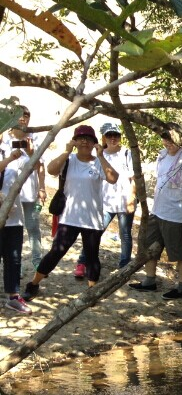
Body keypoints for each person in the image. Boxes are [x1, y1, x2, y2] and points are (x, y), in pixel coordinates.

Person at [22, 124, 119, 301]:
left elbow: (113, 178)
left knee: (92, 256)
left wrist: (101, 156)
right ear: (74, 141)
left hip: (92, 219)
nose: (84, 142)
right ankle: (34, 284)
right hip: (69, 217)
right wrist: (66, 151)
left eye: (88, 139)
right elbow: (51, 169)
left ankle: (91, 292)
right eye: (80, 138)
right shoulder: (69, 160)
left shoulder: (98, 161)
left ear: (94, 143)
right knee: (56, 252)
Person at [128, 131, 182, 300]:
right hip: (157, 211)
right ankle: (149, 280)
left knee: (178, 252)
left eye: (171, 140)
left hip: (175, 214)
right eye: (165, 139)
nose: (168, 143)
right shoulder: (162, 155)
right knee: (150, 247)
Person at [76, 122, 136, 276]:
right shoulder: (98, 155)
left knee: (125, 234)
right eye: (109, 135)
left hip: (124, 199)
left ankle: (124, 267)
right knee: (96, 231)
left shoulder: (127, 153)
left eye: (116, 135)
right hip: (105, 201)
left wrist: (131, 197)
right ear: (104, 137)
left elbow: (134, 178)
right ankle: (83, 262)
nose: (113, 138)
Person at [0, 107, 45, 269]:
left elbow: (40, 166)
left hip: (28, 192)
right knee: (8, 231)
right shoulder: (3, 137)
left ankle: (37, 261)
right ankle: (13, 267)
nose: (23, 119)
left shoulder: (35, 138)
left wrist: (42, 187)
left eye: (26, 116)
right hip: (6, 193)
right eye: (19, 115)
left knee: (32, 226)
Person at [0, 143, 31, 313]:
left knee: (13, 259)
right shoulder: (10, 157)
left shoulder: (12, 150)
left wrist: (31, 152)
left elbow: (30, 167)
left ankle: (13, 297)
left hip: (13, 220)